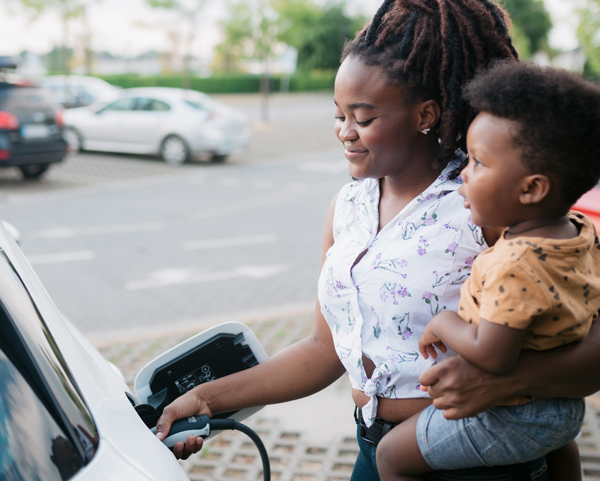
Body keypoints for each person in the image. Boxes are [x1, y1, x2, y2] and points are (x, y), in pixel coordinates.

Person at [154, 1, 600, 479]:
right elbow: (324, 351)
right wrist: (204, 399)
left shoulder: (488, 202)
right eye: (338, 114)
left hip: (481, 459)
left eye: (363, 117)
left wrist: (507, 382)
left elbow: (584, 333)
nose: (346, 132)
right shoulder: (347, 208)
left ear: (424, 113)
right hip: (375, 450)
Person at [375, 62, 600, 481]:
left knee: (390, 457)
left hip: (514, 414)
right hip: (566, 410)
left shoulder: (514, 263)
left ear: (532, 188)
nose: (464, 172)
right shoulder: (578, 234)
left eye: (478, 163)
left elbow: (494, 356)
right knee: (559, 449)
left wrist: (444, 322)